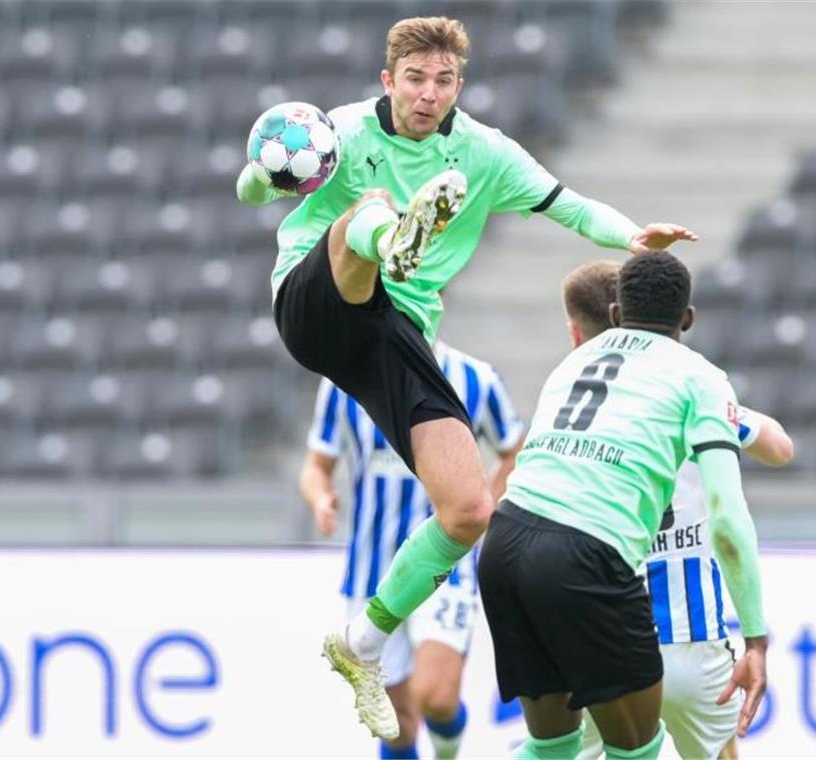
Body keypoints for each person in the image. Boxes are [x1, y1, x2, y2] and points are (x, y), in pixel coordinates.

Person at [235, 15, 698, 738]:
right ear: (389, 81)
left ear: (459, 85)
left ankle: (361, 643)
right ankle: (396, 237)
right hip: (317, 298)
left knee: (468, 509)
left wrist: (633, 238)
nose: (428, 94)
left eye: (443, 81)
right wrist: (262, 173)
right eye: (415, 80)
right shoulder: (343, 132)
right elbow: (255, 192)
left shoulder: (483, 153)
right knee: (368, 210)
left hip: (397, 336)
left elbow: (568, 205)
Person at [477, 252, 767, 760]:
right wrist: (757, 639)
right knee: (636, 748)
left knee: (553, 749)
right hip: (582, 557)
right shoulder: (698, 377)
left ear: (614, 314)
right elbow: (727, 519)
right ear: (688, 318)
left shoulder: (570, 363)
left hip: (504, 546)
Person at [558, 261, 793, 760]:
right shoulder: (698, 390)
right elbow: (780, 448)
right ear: (686, 318)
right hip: (692, 638)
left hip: (607, 631)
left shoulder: (576, 402)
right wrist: (738, 419)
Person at [300, 337, 525, 759]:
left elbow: (514, 451)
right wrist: (321, 498)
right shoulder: (343, 379)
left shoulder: (475, 377)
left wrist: (485, 512)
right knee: (397, 724)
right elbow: (316, 465)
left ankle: (445, 752)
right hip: (372, 568)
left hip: (446, 565)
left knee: (435, 696)